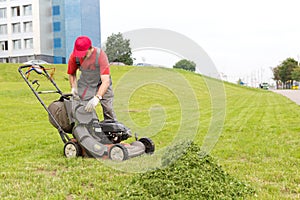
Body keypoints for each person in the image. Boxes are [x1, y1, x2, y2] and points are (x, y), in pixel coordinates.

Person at [67, 35, 116, 121]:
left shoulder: (100, 55)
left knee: (108, 109)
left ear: (90, 49)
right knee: (82, 107)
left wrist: (97, 97)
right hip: (86, 84)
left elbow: (106, 81)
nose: (82, 56)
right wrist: (73, 87)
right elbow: (72, 73)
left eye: (84, 54)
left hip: (101, 83)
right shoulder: (74, 56)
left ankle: (113, 131)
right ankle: (88, 130)